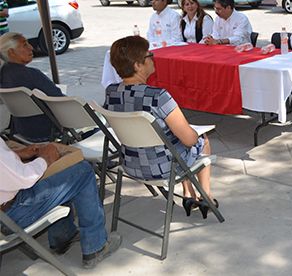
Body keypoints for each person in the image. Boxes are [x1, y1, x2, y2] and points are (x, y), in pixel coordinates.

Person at [105, 36, 217, 217]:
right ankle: (206, 196)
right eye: (149, 55)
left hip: (130, 164)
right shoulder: (157, 96)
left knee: (177, 144)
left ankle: (189, 194)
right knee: (200, 140)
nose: (153, 57)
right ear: (137, 65)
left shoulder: (111, 93)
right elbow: (189, 139)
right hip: (161, 167)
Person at [0, 138, 121, 269]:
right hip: (11, 213)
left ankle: (63, 237)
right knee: (83, 171)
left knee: (62, 172)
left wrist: (15, 155)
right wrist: (45, 159)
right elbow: (25, 177)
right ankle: (96, 247)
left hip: (7, 211)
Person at [0, 32, 63, 142]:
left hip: (21, 131)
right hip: (48, 131)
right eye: (25, 45)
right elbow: (60, 100)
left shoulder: (3, 73)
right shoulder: (32, 74)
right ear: (11, 52)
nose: (31, 47)